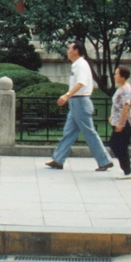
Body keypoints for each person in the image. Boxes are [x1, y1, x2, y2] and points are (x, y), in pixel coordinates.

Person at [46, 41, 112, 172]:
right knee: (69, 132)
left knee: (89, 133)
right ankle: (58, 159)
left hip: (80, 102)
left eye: (69, 48)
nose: (67, 51)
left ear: (76, 50)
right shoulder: (77, 65)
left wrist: (66, 95)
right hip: (76, 103)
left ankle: (105, 161)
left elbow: (80, 83)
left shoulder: (81, 65)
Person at [108, 66, 131, 179]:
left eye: (116, 74)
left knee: (117, 145)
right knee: (119, 145)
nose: (114, 76)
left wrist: (121, 123)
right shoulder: (121, 87)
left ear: (122, 77)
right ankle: (128, 165)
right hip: (118, 121)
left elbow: (125, 107)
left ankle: (127, 171)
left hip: (125, 123)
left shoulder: (126, 89)